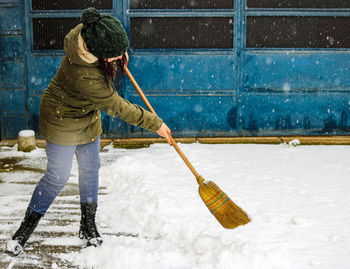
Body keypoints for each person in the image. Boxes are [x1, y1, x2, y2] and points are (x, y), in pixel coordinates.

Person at [7, 7, 172, 255]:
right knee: (58, 176)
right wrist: (155, 124)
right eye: (112, 56)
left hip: (87, 114)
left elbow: (107, 66)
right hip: (62, 117)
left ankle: (87, 225)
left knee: (90, 169)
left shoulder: (89, 33)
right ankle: (24, 230)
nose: (117, 58)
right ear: (96, 53)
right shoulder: (84, 74)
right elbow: (115, 105)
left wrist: (117, 56)